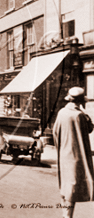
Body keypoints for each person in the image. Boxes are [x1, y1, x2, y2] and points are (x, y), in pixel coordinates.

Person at [53, 87, 94, 218]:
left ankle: (65, 214)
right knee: (73, 186)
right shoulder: (80, 115)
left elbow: (55, 133)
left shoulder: (61, 112)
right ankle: (67, 216)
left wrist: (60, 148)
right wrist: (85, 113)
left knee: (66, 186)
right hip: (76, 156)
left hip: (64, 154)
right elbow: (90, 128)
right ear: (81, 101)